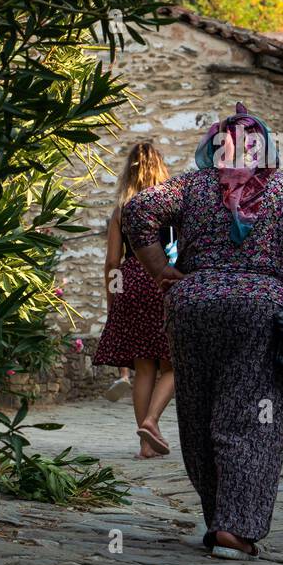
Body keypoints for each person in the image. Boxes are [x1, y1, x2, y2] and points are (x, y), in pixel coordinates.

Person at [122, 104, 283, 559]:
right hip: (261, 313)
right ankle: (234, 527)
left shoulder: (191, 186)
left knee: (198, 415)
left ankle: (218, 515)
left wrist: (162, 270)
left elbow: (139, 211)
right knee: (253, 419)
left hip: (193, 307)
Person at [92, 142, 176, 458]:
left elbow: (113, 262)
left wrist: (113, 300)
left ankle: (145, 444)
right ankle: (152, 422)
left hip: (130, 283)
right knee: (174, 362)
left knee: (143, 368)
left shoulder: (122, 210)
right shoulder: (172, 207)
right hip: (164, 282)